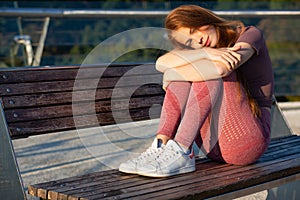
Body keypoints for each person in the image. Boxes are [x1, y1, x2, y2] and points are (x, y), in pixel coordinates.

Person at [119, 4, 274, 177]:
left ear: (203, 18)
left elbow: (222, 69)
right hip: (210, 146)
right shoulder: (203, 50)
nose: (198, 41)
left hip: (247, 141)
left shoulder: (250, 35)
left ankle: (181, 150)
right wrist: (205, 53)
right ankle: (161, 145)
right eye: (189, 43)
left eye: (194, 30)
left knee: (202, 71)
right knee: (191, 71)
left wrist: (172, 73)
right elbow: (160, 63)